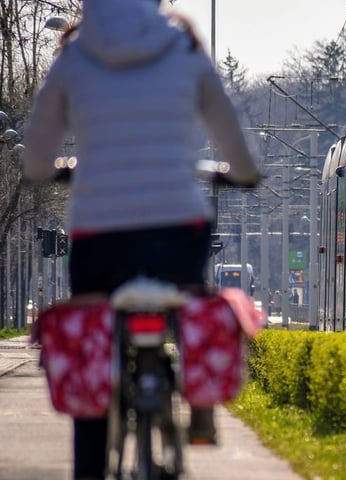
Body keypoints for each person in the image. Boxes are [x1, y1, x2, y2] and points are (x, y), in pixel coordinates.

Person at [21, 1, 260, 479]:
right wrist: (244, 173)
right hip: (178, 229)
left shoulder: (73, 56)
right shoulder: (184, 47)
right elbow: (232, 136)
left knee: (93, 337)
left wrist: (53, 170)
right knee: (192, 303)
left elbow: (35, 159)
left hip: (99, 234)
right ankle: (202, 408)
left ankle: (90, 464)